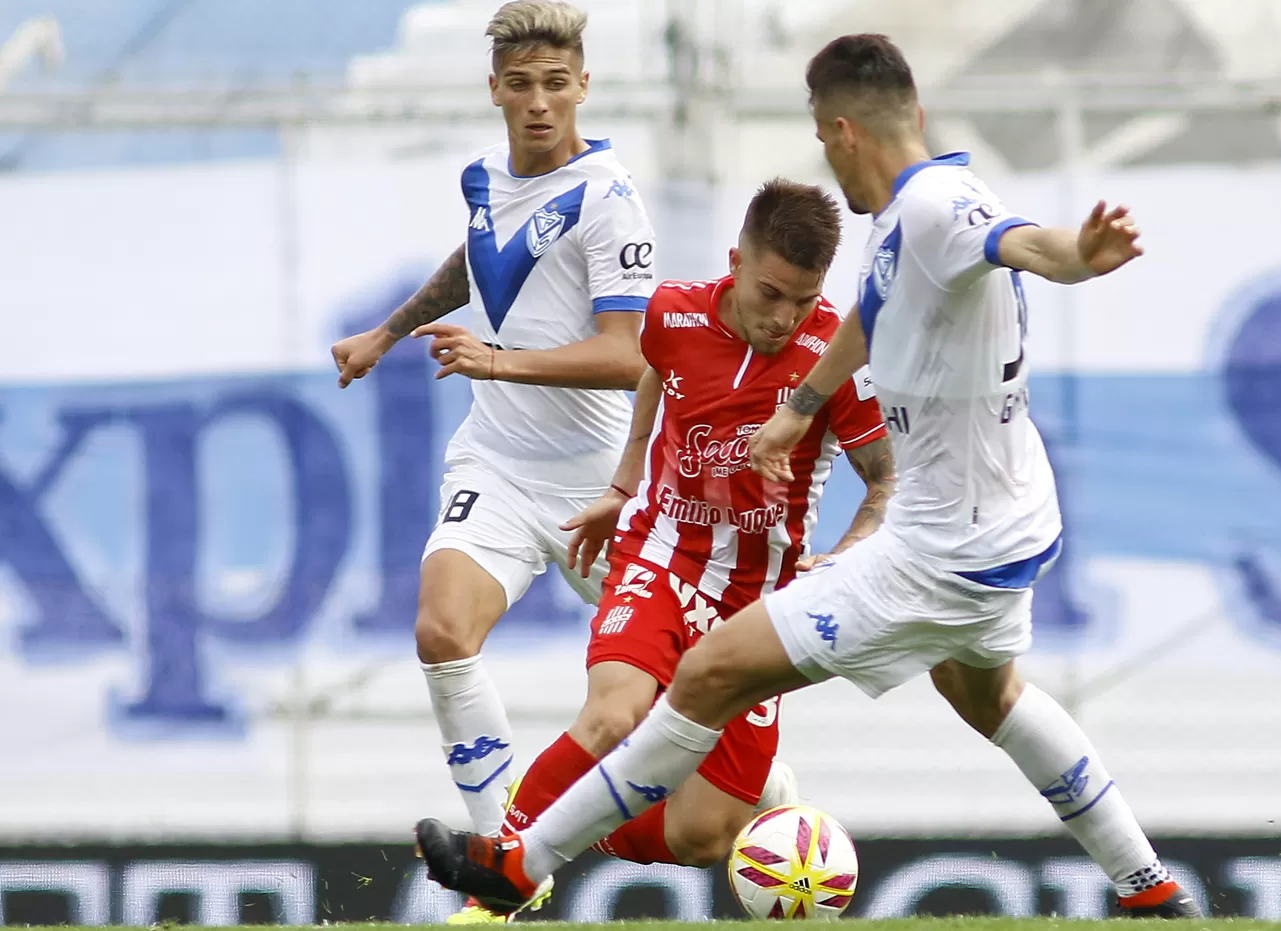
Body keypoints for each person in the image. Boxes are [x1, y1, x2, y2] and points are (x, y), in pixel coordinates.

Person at [413, 33, 1201, 920]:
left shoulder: (939, 207)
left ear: (840, 133)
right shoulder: (903, 218)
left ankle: (519, 866)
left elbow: (1018, 244)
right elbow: (864, 315)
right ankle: (1150, 884)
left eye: (827, 145)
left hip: (934, 545)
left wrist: (1074, 255)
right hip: (1009, 527)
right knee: (991, 695)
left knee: (708, 674)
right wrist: (799, 404)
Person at [329, 1, 654, 921]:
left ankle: (767, 794)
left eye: (557, 84)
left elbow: (632, 356)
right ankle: (507, 871)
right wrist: (388, 333)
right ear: (496, 91)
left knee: (683, 697)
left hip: (602, 484)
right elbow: (479, 260)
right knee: (441, 630)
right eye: (522, 86)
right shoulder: (482, 178)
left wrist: (496, 359)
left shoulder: (608, 196)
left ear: (584, 85)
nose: (540, 103)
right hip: (499, 468)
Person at [501, 177, 892, 873]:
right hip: (662, 554)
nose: (785, 318)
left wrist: (844, 554)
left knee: (701, 838)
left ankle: (553, 819)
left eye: (803, 300)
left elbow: (886, 482)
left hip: (757, 601)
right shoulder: (673, 313)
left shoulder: (835, 358)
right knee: (612, 715)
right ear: (735, 262)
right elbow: (658, 368)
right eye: (771, 294)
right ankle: (503, 866)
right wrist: (624, 484)